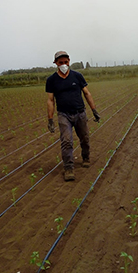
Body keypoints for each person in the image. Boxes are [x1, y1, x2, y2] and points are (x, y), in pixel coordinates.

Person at [46, 51, 101, 181]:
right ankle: (68, 168)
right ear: (55, 64)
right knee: (66, 141)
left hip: (80, 113)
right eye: (60, 63)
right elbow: (50, 100)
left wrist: (94, 110)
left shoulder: (77, 76)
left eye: (66, 62)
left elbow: (87, 93)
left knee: (85, 138)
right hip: (63, 114)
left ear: (69, 61)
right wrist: (50, 119)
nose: (64, 65)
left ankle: (86, 157)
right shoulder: (51, 80)